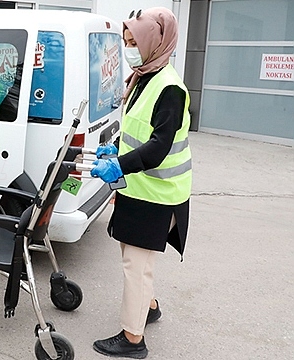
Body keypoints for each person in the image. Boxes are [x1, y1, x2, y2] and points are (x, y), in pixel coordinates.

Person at [89, 7, 192, 359]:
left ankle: (133, 339)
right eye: (126, 40)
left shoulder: (170, 89)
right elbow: (140, 131)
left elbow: (159, 147)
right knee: (136, 259)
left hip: (158, 194)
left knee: (136, 266)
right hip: (139, 188)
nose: (129, 47)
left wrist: (119, 164)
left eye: (134, 42)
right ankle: (148, 306)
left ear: (154, 42)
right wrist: (114, 148)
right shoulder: (145, 75)